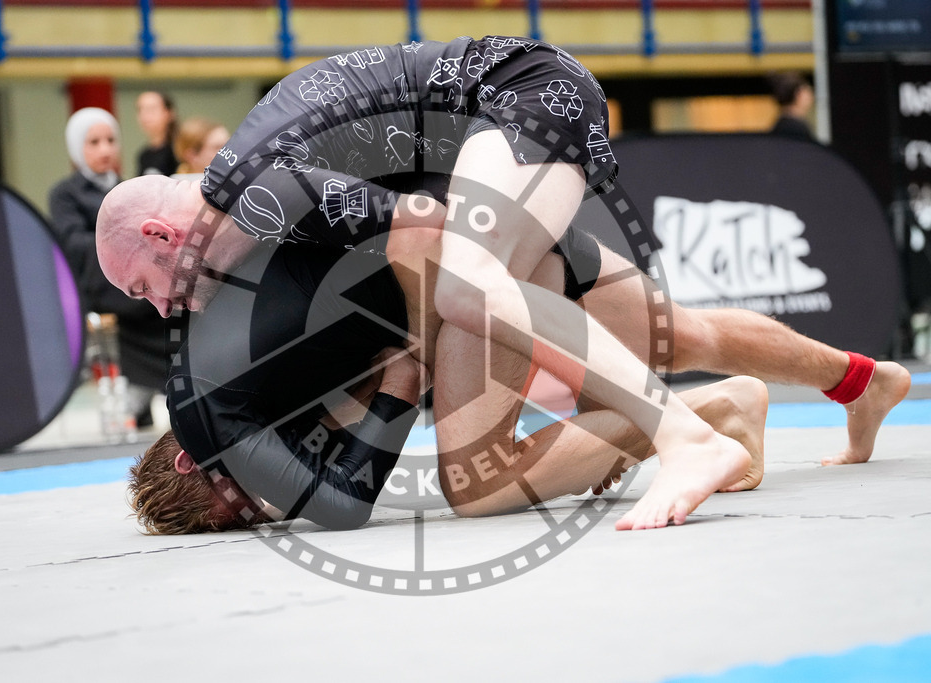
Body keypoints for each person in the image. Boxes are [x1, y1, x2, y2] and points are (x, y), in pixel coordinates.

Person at [98, 37, 910, 530]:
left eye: (144, 284)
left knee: (465, 351)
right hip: (491, 166)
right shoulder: (249, 218)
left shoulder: (254, 194)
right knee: (677, 333)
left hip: (513, 106)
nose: (156, 305)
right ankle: (858, 383)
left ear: (167, 235)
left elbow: (420, 224)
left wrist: (410, 357)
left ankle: (687, 433)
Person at [128, 227, 769, 533]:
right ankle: (828, 387)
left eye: (232, 505)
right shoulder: (248, 387)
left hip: (464, 270)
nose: (257, 511)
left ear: (189, 459)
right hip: (480, 243)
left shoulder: (224, 404)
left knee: (478, 483)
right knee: (685, 336)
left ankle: (709, 412)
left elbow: (401, 377)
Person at [48, 107, 169, 426]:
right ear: (77, 148)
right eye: (94, 142)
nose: (104, 149)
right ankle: (144, 389)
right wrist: (124, 243)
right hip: (100, 284)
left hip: (138, 277)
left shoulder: (130, 187)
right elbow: (72, 242)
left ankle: (159, 388)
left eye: (110, 140)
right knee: (151, 299)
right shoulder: (65, 194)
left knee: (175, 295)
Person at [135, 90, 179, 176]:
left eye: (151, 109)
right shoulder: (144, 155)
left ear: (169, 113)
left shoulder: (179, 151)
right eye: (140, 109)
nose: (144, 115)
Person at [768, 72, 815, 141]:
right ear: (798, 95)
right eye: (807, 91)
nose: (812, 96)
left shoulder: (781, 124)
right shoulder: (795, 128)